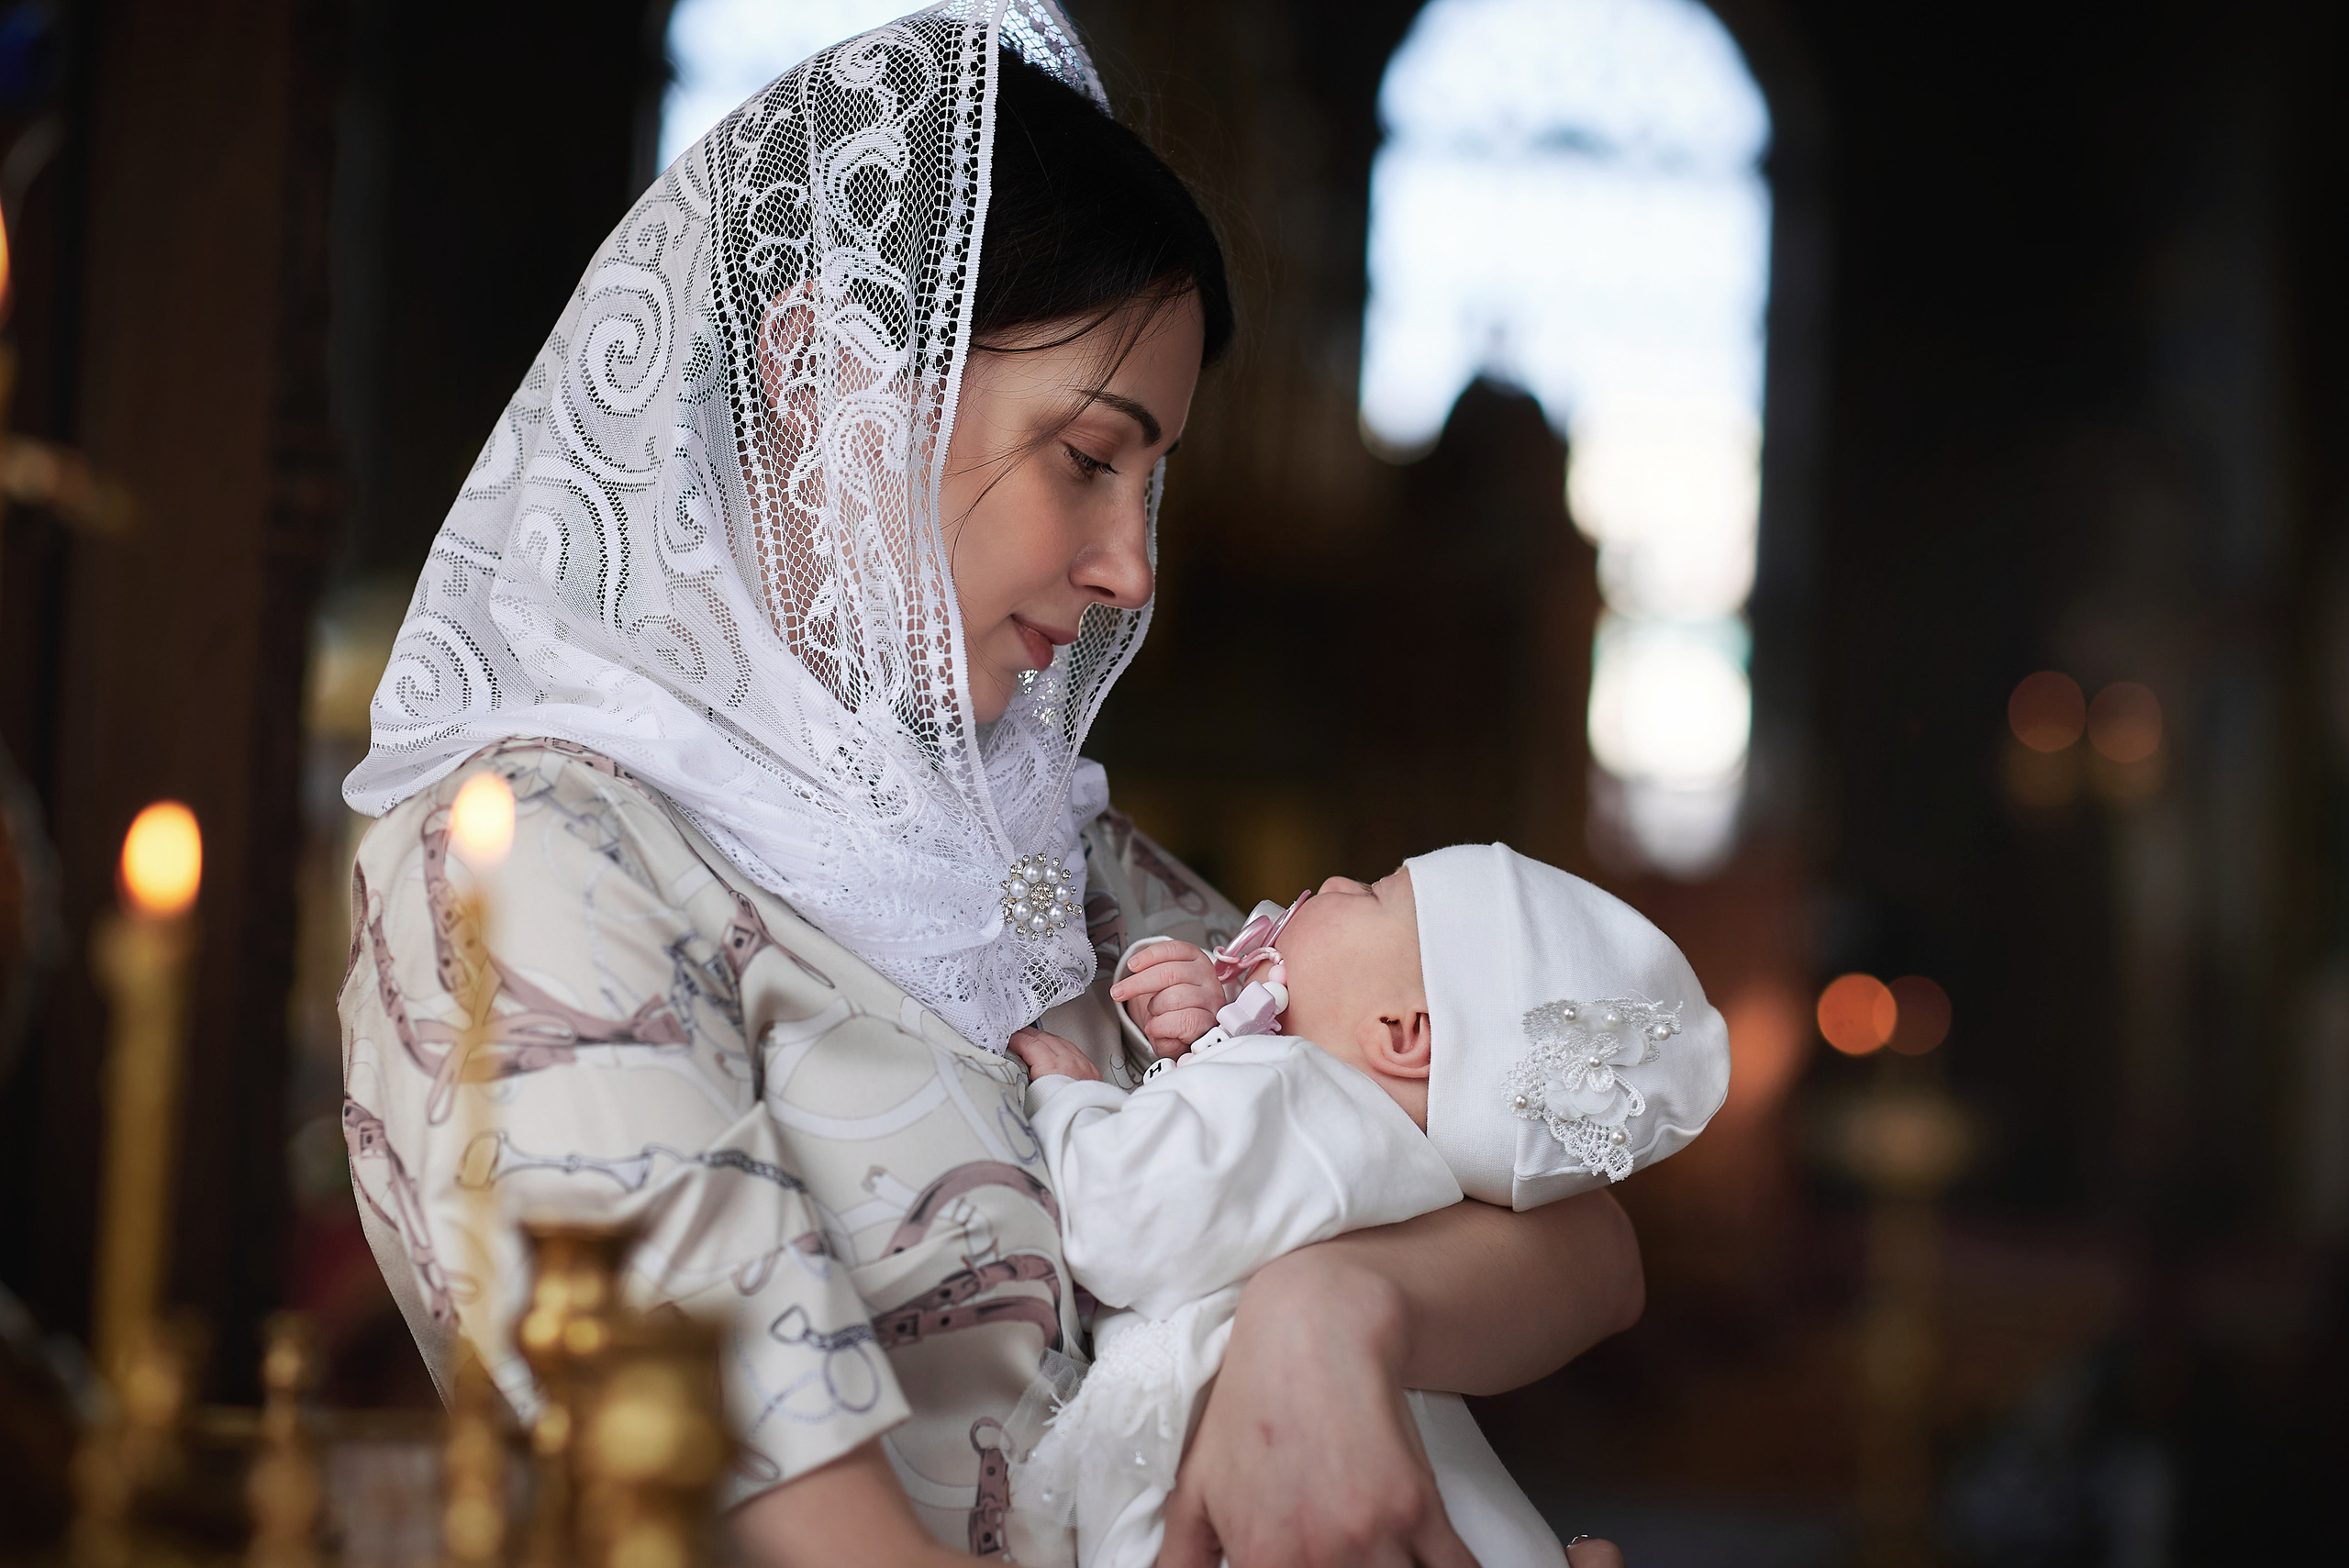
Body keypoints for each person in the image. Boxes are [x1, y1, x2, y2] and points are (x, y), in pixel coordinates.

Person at [335, 6, 1642, 1564]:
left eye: (1153, 483)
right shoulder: (530, 867)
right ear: (825, 376)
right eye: (1090, 457)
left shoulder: (1045, 865)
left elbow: (1581, 1221)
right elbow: (771, 1512)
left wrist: (1335, 1305)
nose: (1132, 567)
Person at [1003, 845, 1731, 1567]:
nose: (1340, 881)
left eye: (1377, 892)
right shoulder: (1396, 1160)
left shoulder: (1292, 1096)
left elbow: (1118, 1220)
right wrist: (1204, 1025)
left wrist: (1074, 1097)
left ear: (1402, 1033)